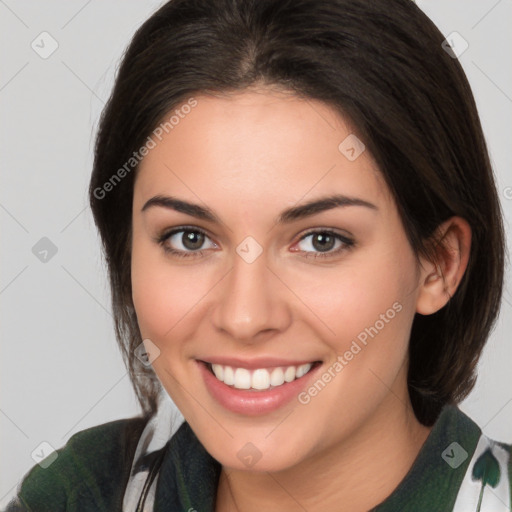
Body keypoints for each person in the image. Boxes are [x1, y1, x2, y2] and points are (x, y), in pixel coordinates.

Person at [5, 0, 511, 510]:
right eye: (190, 238)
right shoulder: (76, 495)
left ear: (439, 265)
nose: (244, 317)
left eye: (321, 241)